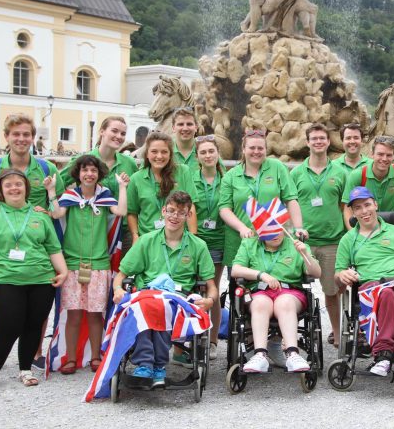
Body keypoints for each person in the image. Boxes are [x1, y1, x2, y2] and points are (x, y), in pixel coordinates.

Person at [0, 113, 63, 374]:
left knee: (38, 303)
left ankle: (34, 353)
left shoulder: (47, 168)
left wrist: (51, 209)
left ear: (33, 138)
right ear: (7, 137)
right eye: (16, 134)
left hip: (36, 241)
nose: (21, 139)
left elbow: (59, 202)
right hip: (4, 238)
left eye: (26, 134)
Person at [112, 191, 217, 387]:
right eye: (171, 211)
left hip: (177, 298)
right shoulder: (146, 241)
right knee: (145, 306)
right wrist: (118, 289)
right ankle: (148, 363)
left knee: (163, 307)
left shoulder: (198, 246)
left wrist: (209, 300)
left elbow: (211, 287)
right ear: (163, 211)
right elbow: (120, 275)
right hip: (147, 294)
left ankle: (155, 365)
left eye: (181, 213)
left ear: (188, 216)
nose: (174, 217)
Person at [45, 155, 129, 374]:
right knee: (73, 313)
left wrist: (122, 188)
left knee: (95, 314)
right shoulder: (70, 197)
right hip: (73, 264)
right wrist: (52, 192)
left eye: (93, 170)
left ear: (99, 173)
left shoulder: (105, 197)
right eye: (85, 170)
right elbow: (56, 213)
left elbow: (120, 212)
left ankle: (95, 357)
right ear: (78, 173)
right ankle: (70, 358)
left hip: (99, 264)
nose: (89, 174)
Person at [334, 187, 394, 376]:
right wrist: (342, 275)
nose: (364, 211)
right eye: (358, 208)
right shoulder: (348, 239)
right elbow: (338, 274)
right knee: (385, 293)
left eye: (367, 205)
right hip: (373, 285)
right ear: (353, 212)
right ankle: (383, 353)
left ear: (375, 205)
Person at [290, 124, 349, 348]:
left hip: (333, 241)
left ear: (328, 142)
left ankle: (336, 333)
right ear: (307, 142)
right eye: (314, 138)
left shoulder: (340, 173)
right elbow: (289, 204)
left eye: (322, 138)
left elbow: (346, 207)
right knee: (294, 289)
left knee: (332, 292)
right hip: (304, 243)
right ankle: (291, 334)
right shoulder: (296, 173)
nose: (318, 142)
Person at [231, 229, 321, 373]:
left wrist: (305, 254)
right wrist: (261, 275)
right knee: (260, 303)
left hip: (290, 292)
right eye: (268, 231)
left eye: (278, 230)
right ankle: (260, 355)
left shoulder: (296, 244)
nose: (274, 234)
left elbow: (316, 273)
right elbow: (235, 270)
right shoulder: (249, 244)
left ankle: (293, 354)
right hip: (260, 291)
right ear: (259, 231)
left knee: (284, 302)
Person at [218, 129, 305, 268]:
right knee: (238, 286)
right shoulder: (231, 175)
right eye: (252, 148)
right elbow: (224, 209)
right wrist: (242, 228)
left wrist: (299, 227)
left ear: (266, 149)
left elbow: (291, 200)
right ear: (243, 149)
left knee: (274, 285)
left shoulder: (277, 168)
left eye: (260, 148)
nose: (256, 151)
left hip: (274, 241)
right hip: (241, 242)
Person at [188, 135, 226, 361]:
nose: (208, 155)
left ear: (218, 153)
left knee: (213, 287)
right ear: (197, 156)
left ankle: (212, 340)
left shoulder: (228, 178)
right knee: (192, 287)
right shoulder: (190, 179)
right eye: (203, 152)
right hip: (196, 240)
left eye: (211, 151)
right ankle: (191, 336)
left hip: (219, 240)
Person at [341, 136, 394, 240]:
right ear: (372, 154)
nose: (384, 159)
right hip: (366, 234)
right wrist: (354, 235)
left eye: (389, 155)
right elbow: (347, 209)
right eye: (380, 154)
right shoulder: (358, 175)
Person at [127, 132, 197, 244]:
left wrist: (193, 238)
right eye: (154, 151)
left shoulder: (183, 172)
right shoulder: (136, 178)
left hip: (178, 240)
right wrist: (135, 236)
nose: (159, 156)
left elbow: (191, 206)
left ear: (170, 154)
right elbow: (132, 212)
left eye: (164, 152)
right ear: (147, 154)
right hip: (148, 241)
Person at [59, 116, 138, 200]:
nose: (119, 136)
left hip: (121, 213)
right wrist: (70, 203)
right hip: (89, 212)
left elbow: (140, 189)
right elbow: (57, 184)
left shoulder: (129, 163)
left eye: (123, 134)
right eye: (114, 131)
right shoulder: (81, 161)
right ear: (102, 131)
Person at [171, 107, 201, 173]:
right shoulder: (164, 150)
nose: (185, 128)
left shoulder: (207, 151)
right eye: (180, 124)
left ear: (196, 127)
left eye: (189, 124)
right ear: (173, 128)